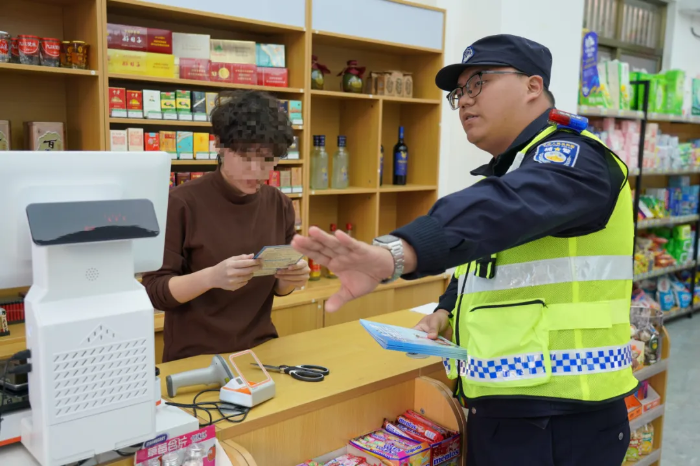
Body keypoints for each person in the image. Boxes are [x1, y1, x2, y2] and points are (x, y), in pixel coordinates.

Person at [291, 34, 637, 465]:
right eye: (459, 93)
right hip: (510, 409)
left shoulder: (575, 158)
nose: (465, 101)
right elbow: (487, 265)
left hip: (560, 420)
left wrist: (396, 254)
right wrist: (445, 311)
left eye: (478, 83)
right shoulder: (514, 167)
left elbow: (503, 209)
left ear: (533, 86)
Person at [142, 90, 310, 363]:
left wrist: (291, 278)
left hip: (259, 352)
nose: (257, 171)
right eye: (246, 158)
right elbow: (154, 293)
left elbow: (278, 289)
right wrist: (211, 278)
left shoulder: (279, 204)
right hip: (195, 358)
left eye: (267, 159)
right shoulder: (181, 203)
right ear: (219, 146)